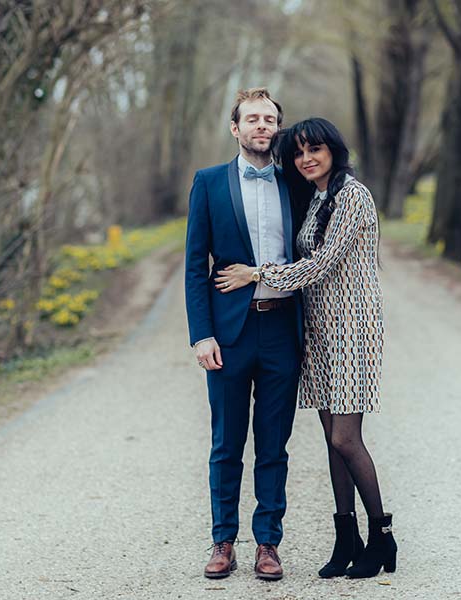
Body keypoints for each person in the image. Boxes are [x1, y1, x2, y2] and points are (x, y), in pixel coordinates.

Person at [215, 117, 397, 579]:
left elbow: (319, 264)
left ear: (334, 149)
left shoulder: (353, 195)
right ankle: (346, 538)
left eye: (315, 149)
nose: (306, 158)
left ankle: (382, 536)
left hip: (353, 328)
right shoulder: (316, 197)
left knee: (345, 438)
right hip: (317, 328)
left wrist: (256, 274)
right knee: (331, 441)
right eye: (297, 153)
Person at [184, 88, 303, 581]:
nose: (261, 125)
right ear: (235, 128)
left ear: (277, 127)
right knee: (226, 443)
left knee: (274, 445)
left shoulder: (295, 184)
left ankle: (268, 545)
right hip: (229, 335)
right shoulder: (209, 183)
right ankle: (223, 540)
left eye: (269, 119)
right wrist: (201, 334)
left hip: (282, 328)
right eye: (252, 118)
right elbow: (195, 266)